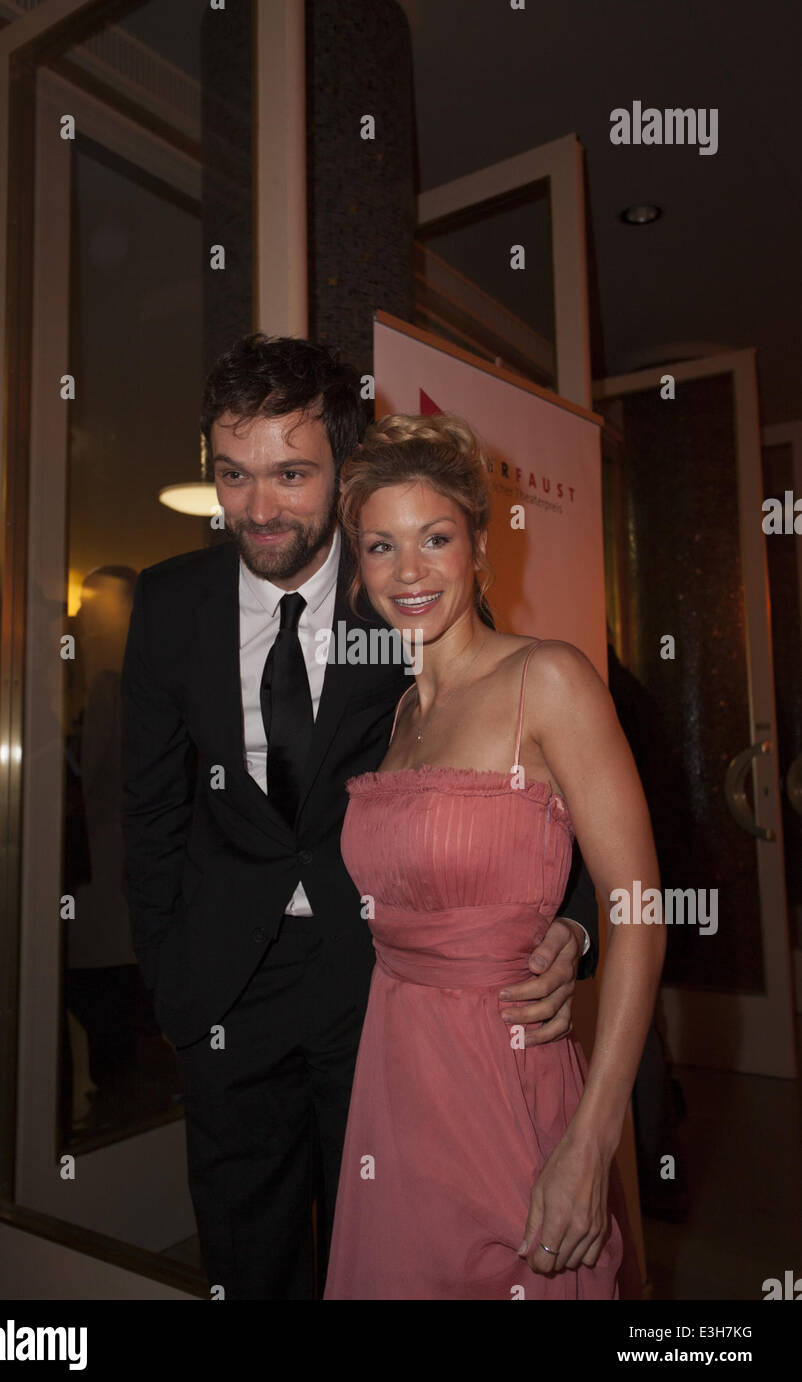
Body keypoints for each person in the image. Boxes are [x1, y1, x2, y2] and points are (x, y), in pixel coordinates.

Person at [120, 333, 602, 1300]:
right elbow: (150, 809)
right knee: (247, 1258)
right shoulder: (172, 603)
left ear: (342, 469)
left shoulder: (403, 586)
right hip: (223, 991)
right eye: (233, 474)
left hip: (380, 988)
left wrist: (575, 921)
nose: (257, 508)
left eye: (291, 474)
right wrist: (172, 982)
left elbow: (531, 755)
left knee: (380, 1250)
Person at [324, 413, 664, 1300]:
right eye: (380, 547)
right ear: (357, 570)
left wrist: (592, 1142)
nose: (409, 572)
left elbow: (638, 910)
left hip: (503, 1075)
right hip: (395, 1084)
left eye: (435, 538)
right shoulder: (400, 717)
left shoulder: (548, 679)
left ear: (479, 548)